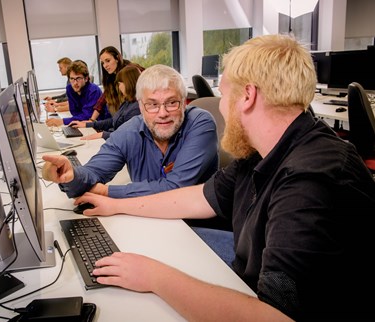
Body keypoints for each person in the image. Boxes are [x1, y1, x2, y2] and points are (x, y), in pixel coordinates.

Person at [73, 34, 375, 321]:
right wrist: (116, 205)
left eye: (223, 94)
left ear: (247, 96)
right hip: (252, 266)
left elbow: (274, 317)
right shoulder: (263, 151)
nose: (219, 105)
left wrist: (154, 277)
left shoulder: (309, 182)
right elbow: (197, 196)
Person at [42, 64, 218, 199]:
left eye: (172, 103)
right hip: (148, 220)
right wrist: (71, 175)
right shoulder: (129, 131)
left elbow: (176, 188)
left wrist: (107, 192)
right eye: (152, 104)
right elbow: (93, 172)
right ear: (140, 105)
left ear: (184, 102)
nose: (162, 113)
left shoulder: (200, 123)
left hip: (196, 229)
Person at [69, 65, 142, 140]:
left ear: (128, 84)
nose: (119, 87)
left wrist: (103, 135)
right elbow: (112, 121)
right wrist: (87, 124)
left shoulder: (136, 108)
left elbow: (126, 136)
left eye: (120, 83)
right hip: (112, 138)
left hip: (117, 142)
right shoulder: (127, 102)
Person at [89, 46, 144, 121]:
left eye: (108, 61)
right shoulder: (111, 76)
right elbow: (104, 97)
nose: (105, 66)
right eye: (103, 63)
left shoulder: (131, 70)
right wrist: (92, 119)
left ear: (117, 58)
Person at [45, 61, 107, 127]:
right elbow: (74, 112)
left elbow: (87, 116)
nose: (75, 83)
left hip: (98, 126)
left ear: (86, 79)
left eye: (78, 78)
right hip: (82, 124)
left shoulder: (94, 91)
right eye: (72, 79)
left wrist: (62, 121)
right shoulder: (70, 89)